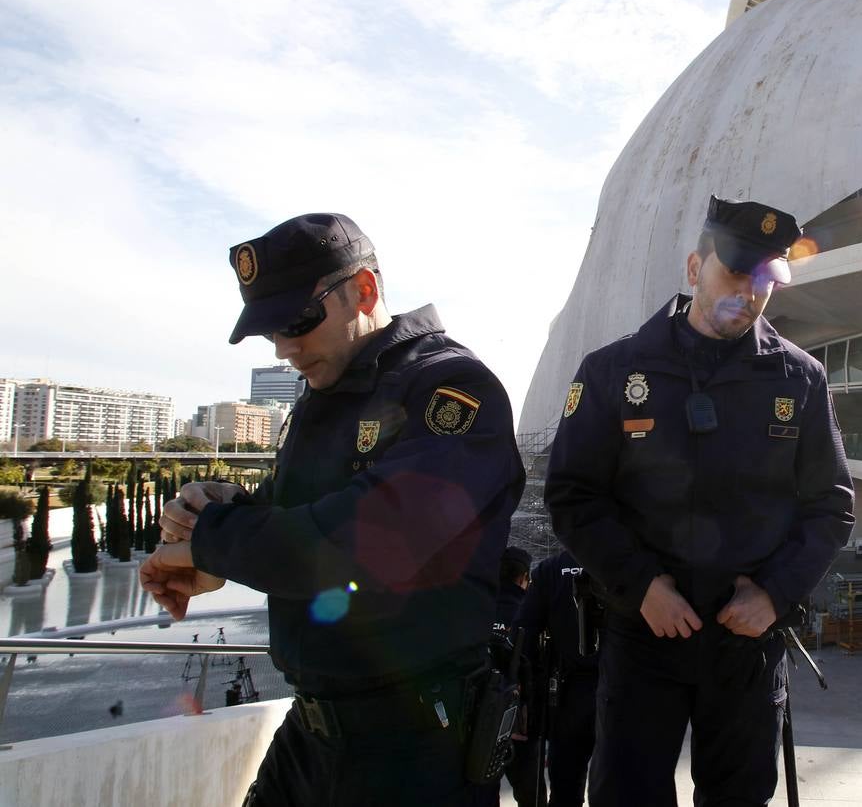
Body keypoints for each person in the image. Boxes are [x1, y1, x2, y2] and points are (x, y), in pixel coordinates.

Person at [139, 213, 524, 806]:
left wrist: (215, 538)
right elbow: (295, 514)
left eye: (298, 321)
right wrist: (216, 527)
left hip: (414, 744)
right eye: (272, 331)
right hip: (314, 734)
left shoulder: (452, 389)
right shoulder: (324, 397)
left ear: (365, 290)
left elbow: (370, 542)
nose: (287, 348)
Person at [544, 196, 856, 807]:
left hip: (745, 644)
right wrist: (641, 587)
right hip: (643, 636)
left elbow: (830, 506)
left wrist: (772, 594)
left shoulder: (799, 380)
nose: (750, 290)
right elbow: (573, 495)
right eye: (734, 271)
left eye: (764, 277)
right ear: (694, 269)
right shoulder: (614, 371)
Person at [513, 549, 600, 807]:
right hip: (620, 685)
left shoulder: (550, 570)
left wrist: (523, 691)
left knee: (565, 786)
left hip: (568, 692)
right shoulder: (625, 561)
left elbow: (523, 634)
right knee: (622, 781)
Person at [474, 546, 541, 807]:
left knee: (482, 789)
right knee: (530, 793)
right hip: (520, 720)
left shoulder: (477, 610)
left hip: (480, 720)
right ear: (524, 577)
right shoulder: (529, 612)